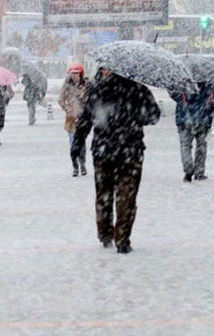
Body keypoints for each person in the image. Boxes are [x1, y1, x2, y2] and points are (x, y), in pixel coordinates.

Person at [72, 68, 161, 254]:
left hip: (103, 150)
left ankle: (105, 234)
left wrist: (78, 142)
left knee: (104, 194)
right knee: (126, 197)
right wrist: (135, 116)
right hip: (130, 151)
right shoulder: (139, 90)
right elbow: (154, 117)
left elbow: (85, 118)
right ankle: (122, 239)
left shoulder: (98, 89)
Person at [168, 82, 214, 182]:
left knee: (185, 145)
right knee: (201, 147)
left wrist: (171, 84)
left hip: (185, 119)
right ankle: (199, 173)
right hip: (203, 120)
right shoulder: (209, 85)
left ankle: (188, 169)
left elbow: (173, 94)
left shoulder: (183, 84)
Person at [58, 62, 89, 177]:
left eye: (76, 73)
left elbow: (91, 98)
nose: (74, 75)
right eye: (72, 73)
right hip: (71, 119)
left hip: (83, 118)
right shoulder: (66, 85)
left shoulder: (86, 85)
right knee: (73, 143)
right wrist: (67, 108)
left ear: (80, 73)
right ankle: (75, 165)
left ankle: (83, 164)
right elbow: (61, 100)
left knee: (82, 143)